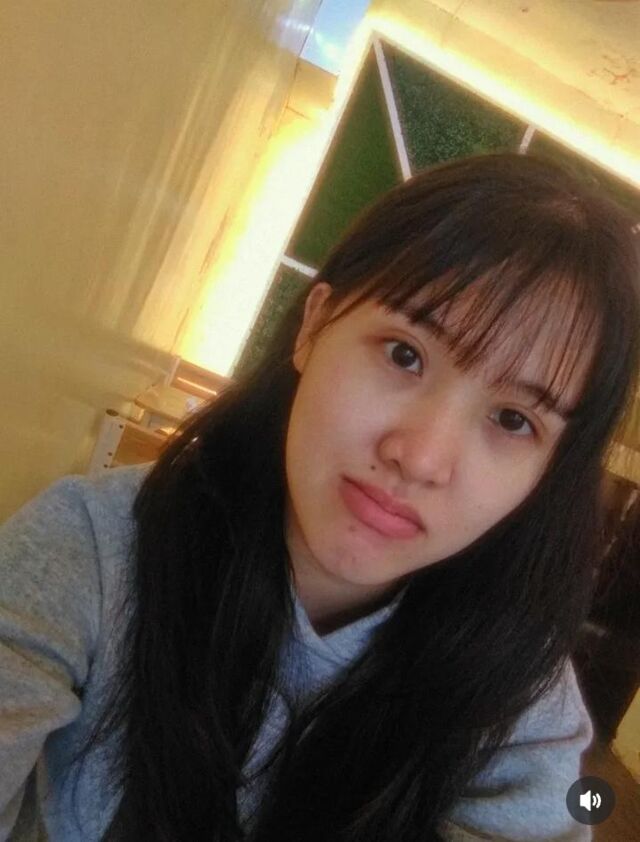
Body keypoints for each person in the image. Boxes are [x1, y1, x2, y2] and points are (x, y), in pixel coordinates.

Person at [1, 153, 639, 842]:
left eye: (514, 420)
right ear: (314, 326)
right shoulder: (90, 554)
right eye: (404, 354)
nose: (420, 457)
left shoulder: (521, 710)